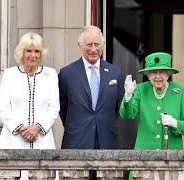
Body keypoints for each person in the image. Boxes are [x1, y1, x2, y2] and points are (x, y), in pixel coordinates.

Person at [58, 25, 123, 180]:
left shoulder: (115, 72)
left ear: (102, 46)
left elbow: (117, 108)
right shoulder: (67, 73)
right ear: (80, 46)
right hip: (76, 141)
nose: (93, 49)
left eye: (97, 44)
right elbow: (62, 109)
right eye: (89, 45)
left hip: (106, 141)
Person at [0, 32, 59, 179]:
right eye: (28, 51)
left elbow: (54, 108)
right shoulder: (10, 74)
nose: (33, 55)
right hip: (14, 140)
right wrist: (21, 129)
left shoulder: (50, 75)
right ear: (21, 53)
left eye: (37, 51)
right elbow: (3, 108)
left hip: (42, 140)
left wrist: (37, 127)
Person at [120, 52, 184, 150]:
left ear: (168, 74)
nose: (158, 77)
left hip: (172, 155)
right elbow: (127, 115)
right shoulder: (141, 89)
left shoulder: (181, 91)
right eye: (154, 72)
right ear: (148, 75)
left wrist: (174, 123)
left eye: (162, 72)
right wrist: (128, 96)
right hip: (144, 154)